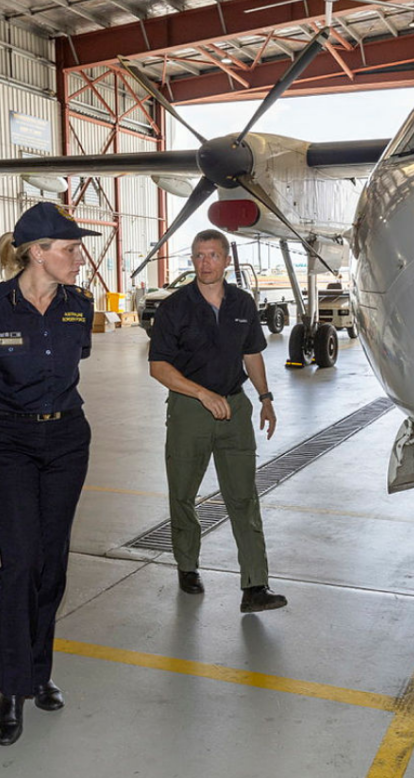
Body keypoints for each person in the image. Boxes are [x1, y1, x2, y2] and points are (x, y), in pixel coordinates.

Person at [0, 201, 98, 747]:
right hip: (7, 441)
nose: (78, 258)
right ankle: (10, 690)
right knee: (20, 563)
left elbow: (75, 360)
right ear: (38, 253)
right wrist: (13, 398)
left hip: (66, 440)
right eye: (69, 249)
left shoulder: (79, 305)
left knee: (52, 563)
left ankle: (39, 673)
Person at [147, 228, 287, 614]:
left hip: (235, 410)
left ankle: (255, 585)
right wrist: (202, 394)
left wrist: (265, 398)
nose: (204, 263)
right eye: (197, 256)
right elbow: (158, 366)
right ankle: (188, 566)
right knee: (183, 493)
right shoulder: (175, 307)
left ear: (227, 260)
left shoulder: (242, 303)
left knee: (243, 496)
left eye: (211, 255)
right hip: (190, 410)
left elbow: (253, 354)